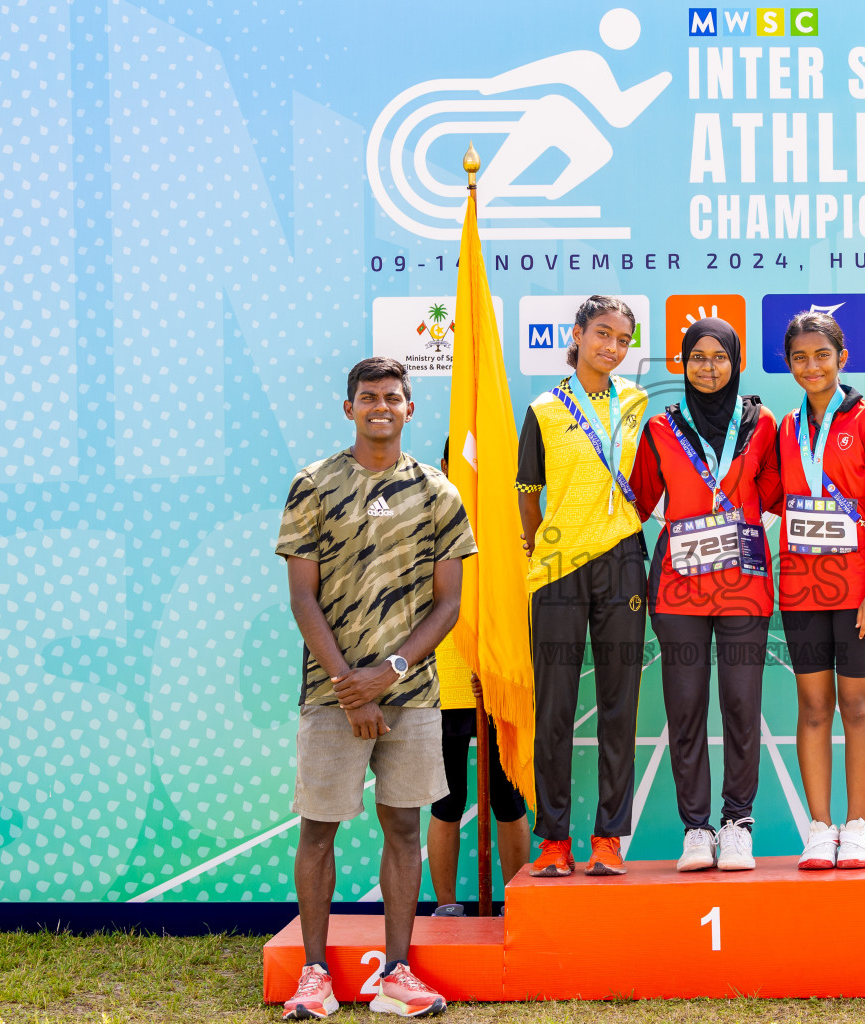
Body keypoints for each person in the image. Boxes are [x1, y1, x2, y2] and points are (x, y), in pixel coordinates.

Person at [276, 357, 477, 1019]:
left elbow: (447, 606)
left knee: (402, 828)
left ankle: (397, 974)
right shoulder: (313, 484)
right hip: (330, 690)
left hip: (411, 694)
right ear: (349, 408)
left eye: (393, 396)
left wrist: (387, 673)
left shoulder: (439, 492)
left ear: (410, 408)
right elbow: (303, 598)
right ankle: (313, 974)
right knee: (318, 831)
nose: (381, 406)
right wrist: (347, 685)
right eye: (368, 397)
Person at [628, 317, 780, 871]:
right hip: (677, 592)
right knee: (685, 709)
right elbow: (637, 505)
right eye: (698, 357)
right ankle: (697, 829)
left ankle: (738, 822)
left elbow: (778, 493)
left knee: (742, 706)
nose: (708, 366)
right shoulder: (661, 428)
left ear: (735, 362)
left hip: (743, 588)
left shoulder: (762, 425)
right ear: (684, 363)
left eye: (719, 356)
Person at [516, 295, 649, 877]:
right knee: (556, 706)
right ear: (576, 334)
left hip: (623, 561)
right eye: (602, 334)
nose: (611, 348)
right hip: (558, 568)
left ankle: (608, 839)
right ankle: (553, 842)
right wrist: (542, 540)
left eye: (622, 340)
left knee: (620, 703)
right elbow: (526, 489)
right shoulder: (545, 408)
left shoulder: (639, 403)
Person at [771, 312, 865, 871]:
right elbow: (777, 496)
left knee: (857, 704)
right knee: (814, 706)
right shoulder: (783, 427)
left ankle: (858, 825)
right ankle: (820, 829)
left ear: (841, 358)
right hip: (801, 588)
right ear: (790, 364)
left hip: (857, 592)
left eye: (821, 354)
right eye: (800, 357)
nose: (811, 366)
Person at [427, 439, 531, 916]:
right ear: (446, 465)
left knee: (509, 800)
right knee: (446, 803)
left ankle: (518, 902)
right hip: (443, 682)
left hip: (500, 681)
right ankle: (446, 907)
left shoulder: (515, 523)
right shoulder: (426, 518)